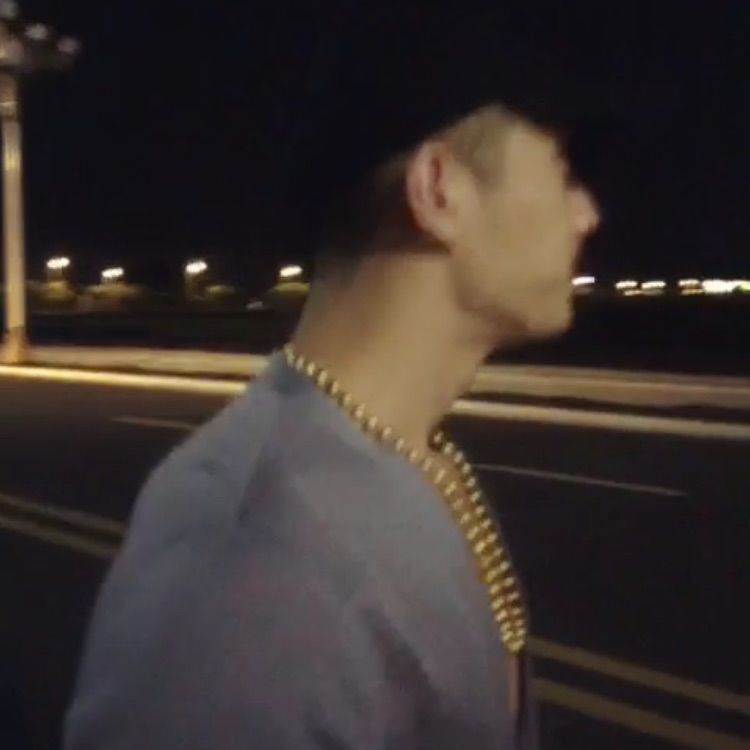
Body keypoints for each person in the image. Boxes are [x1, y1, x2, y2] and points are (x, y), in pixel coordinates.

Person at [65, 4, 606, 749]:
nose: (587, 214)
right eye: (563, 169)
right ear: (439, 190)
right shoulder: (250, 567)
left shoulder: (409, 460)